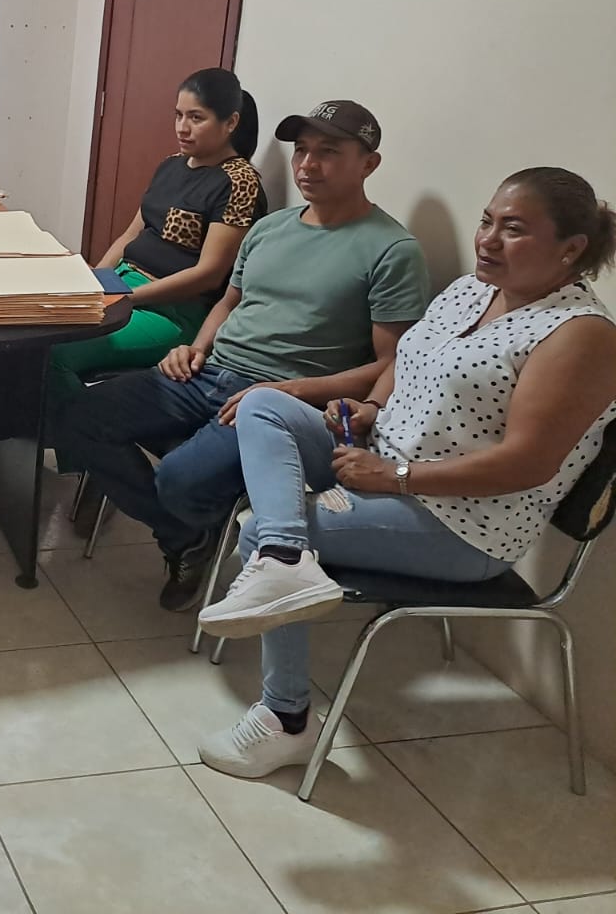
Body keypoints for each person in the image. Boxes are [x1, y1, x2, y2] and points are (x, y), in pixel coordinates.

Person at [197, 168, 616, 778]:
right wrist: (371, 408)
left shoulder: (580, 336)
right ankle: (286, 562)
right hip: (380, 462)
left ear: (571, 249)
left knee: (261, 529)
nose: (488, 239)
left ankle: (287, 718)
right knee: (265, 403)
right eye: (487, 221)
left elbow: (529, 464)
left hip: (463, 527)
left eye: (514, 229)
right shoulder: (473, 289)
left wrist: (396, 475)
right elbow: (407, 357)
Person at [51, 100, 431, 611]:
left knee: (179, 480)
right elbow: (229, 302)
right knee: (76, 417)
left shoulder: (391, 250)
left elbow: (391, 364)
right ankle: (185, 536)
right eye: (302, 151)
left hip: (277, 404)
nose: (307, 165)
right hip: (207, 374)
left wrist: (286, 390)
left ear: (369, 163)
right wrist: (195, 347)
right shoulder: (271, 229)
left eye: (328, 152)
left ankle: (186, 526)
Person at [47, 68, 267, 409]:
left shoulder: (239, 182)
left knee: (55, 351)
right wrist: (94, 281)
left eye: (196, 118)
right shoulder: (171, 165)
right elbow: (130, 234)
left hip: (172, 311)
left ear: (230, 123)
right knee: (33, 328)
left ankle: (78, 434)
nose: (182, 127)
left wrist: (126, 298)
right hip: (122, 286)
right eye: (179, 115)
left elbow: (208, 274)